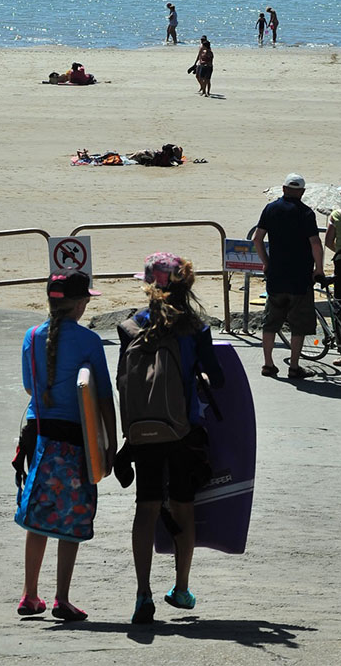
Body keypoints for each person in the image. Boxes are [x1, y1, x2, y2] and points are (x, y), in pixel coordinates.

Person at [118, 253, 225, 625]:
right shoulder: (195, 327)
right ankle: (181, 587)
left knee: (145, 508)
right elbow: (216, 376)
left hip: (143, 433)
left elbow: (124, 382)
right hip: (183, 431)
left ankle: (142, 595)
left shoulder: (130, 326)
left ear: (149, 285)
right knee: (182, 505)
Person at [16, 271, 116, 621]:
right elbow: (102, 396)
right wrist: (111, 444)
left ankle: (29, 595)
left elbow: (31, 389)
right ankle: (61, 598)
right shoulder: (89, 340)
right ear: (79, 303)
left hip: (41, 439)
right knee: (71, 518)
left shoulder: (31, 336)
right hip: (78, 441)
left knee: (39, 517)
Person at [252, 173, 326, 379]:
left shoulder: (271, 209)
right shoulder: (306, 213)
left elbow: (257, 239)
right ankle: (294, 366)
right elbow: (315, 243)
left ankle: (268, 364)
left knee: (271, 322)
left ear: (283, 189)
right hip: (300, 276)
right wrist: (319, 269)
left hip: (276, 274)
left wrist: (266, 262)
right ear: (301, 192)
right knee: (298, 323)